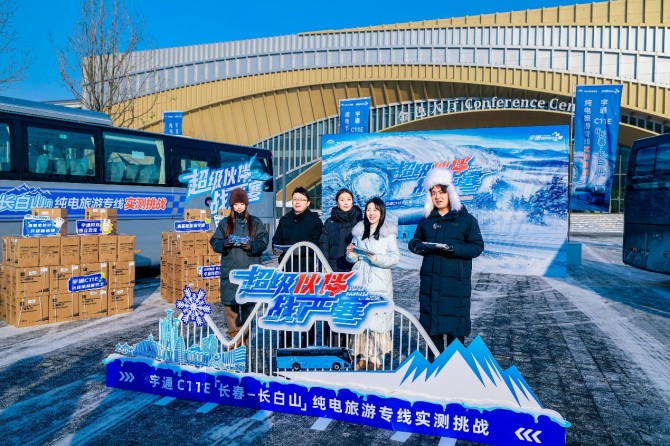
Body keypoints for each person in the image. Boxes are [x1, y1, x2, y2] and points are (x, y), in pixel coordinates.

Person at [408, 168, 484, 360]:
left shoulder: (466, 220)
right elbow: (414, 241)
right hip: (430, 288)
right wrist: (417, 246)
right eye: (433, 193)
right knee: (432, 336)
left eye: (441, 192)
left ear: (450, 193)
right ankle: (433, 371)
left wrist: (453, 249)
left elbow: (477, 247)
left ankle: (454, 372)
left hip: (455, 288)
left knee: (455, 339)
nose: (438, 197)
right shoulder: (426, 220)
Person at [210, 187, 269, 348]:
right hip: (230, 272)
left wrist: (252, 246)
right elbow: (214, 242)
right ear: (232, 205)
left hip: (250, 272)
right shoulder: (225, 223)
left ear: (246, 205)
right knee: (231, 308)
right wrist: (223, 244)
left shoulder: (255, 222)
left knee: (249, 308)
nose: (239, 207)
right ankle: (234, 341)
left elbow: (264, 241)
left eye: (242, 204)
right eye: (236, 204)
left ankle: (246, 340)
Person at [346, 197, 400, 370]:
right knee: (363, 321)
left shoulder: (387, 233)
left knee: (378, 322)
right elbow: (352, 257)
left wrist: (375, 258)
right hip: (360, 281)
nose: (371, 213)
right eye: (368, 209)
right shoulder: (359, 232)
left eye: (375, 210)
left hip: (379, 282)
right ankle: (363, 356)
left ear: (381, 212)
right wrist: (351, 254)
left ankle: (376, 359)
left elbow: (394, 258)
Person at [272, 186, 323, 347]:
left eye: (301, 200)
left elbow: (317, 244)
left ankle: (307, 345)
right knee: (286, 309)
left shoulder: (315, 221)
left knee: (305, 310)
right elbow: (276, 240)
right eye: (295, 199)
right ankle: (285, 346)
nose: (297, 202)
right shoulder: (285, 220)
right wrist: (277, 248)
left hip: (307, 272)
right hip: (287, 272)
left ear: (308, 203)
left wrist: (299, 250)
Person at [319, 188, 363, 346]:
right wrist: (325, 267)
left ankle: (349, 346)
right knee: (332, 307)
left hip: (352, 270)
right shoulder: (329, 222)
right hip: (333, 270)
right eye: (342, 199)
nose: (346, 202)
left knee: (350, 307)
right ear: (337, 202)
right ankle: (330, 345)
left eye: (349, 199)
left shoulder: (360, 221)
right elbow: (323, 246)